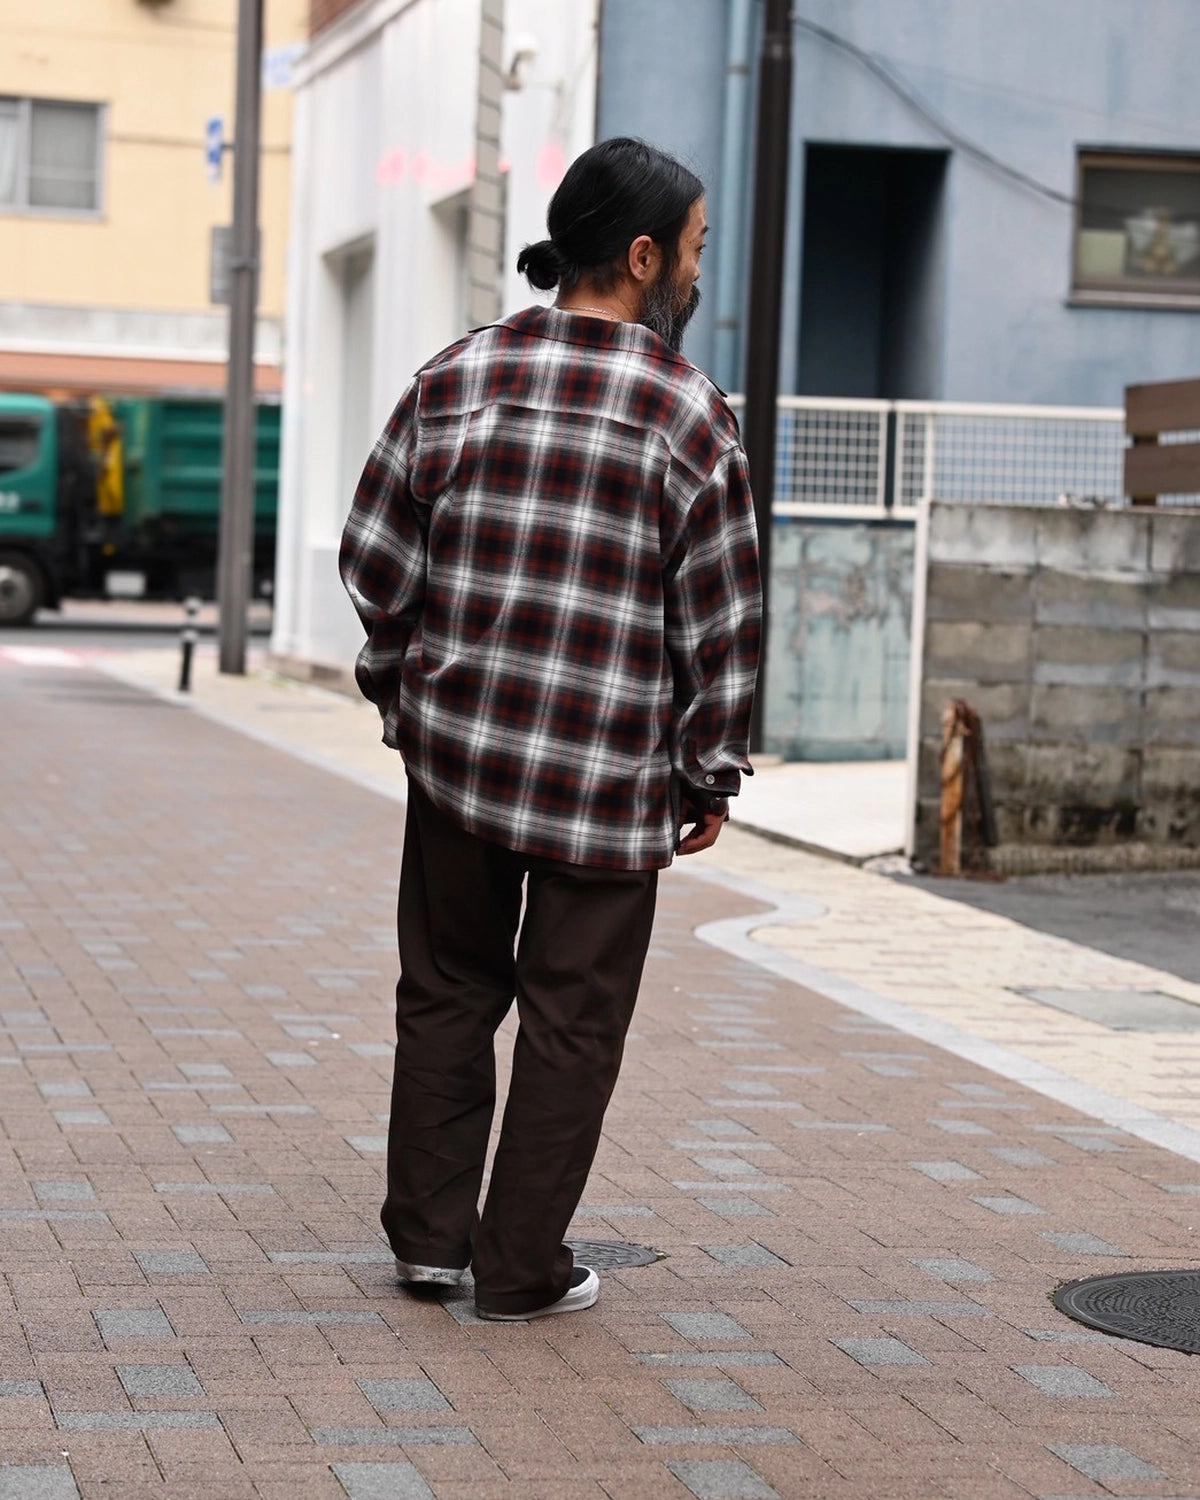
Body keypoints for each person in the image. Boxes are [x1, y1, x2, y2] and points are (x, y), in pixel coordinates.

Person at [339, 136, 761, 1321]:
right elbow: (722, 618)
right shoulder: (690, 414)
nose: (699, 271)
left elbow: (375, 557)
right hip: (608, 778)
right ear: (643, 256)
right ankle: (520, 1270)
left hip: (460, 759)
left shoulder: (457, 376)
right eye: (695, 248)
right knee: (573, 1023)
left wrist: (404, 690)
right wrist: (708, 770)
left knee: (446, 991)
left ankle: (429, 1246)